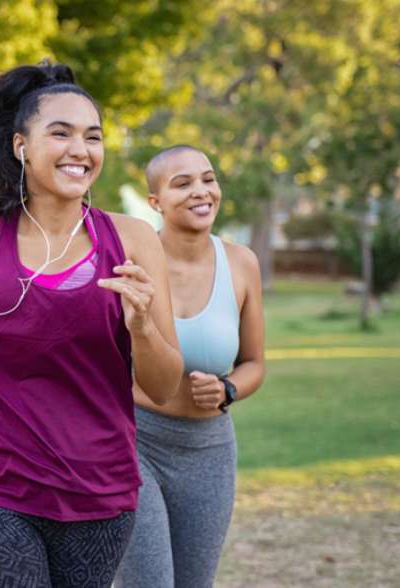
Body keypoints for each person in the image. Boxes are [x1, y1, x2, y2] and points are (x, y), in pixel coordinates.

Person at [0, 60, 184, 588]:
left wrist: (143, 327)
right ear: (20, 146)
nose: (81, 149)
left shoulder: (135, 243)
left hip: (99, 490)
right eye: (61, 133)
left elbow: (164, 388)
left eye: (93, 137)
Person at [115, 145, 266, 588]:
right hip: (135, 444)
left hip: (210, 452)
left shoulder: (241, 264)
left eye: (208, 178)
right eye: (182, 184)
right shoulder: (129, 264)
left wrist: (228, 391)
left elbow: (254, 363)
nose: (201, 192)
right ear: (155, 202)